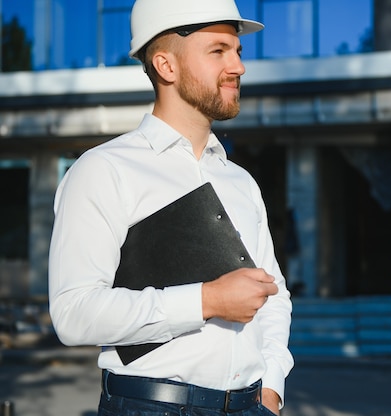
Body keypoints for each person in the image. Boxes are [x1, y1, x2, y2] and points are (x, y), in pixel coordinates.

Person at [48, 0, 293, 415]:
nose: (238, 67)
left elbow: (274, 295)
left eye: (237, 51)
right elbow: (73, 313)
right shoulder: (104, 170)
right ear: (166, 66)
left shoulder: (240, 182)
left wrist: (271, 386)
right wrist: (206, 300)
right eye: (218, 51)